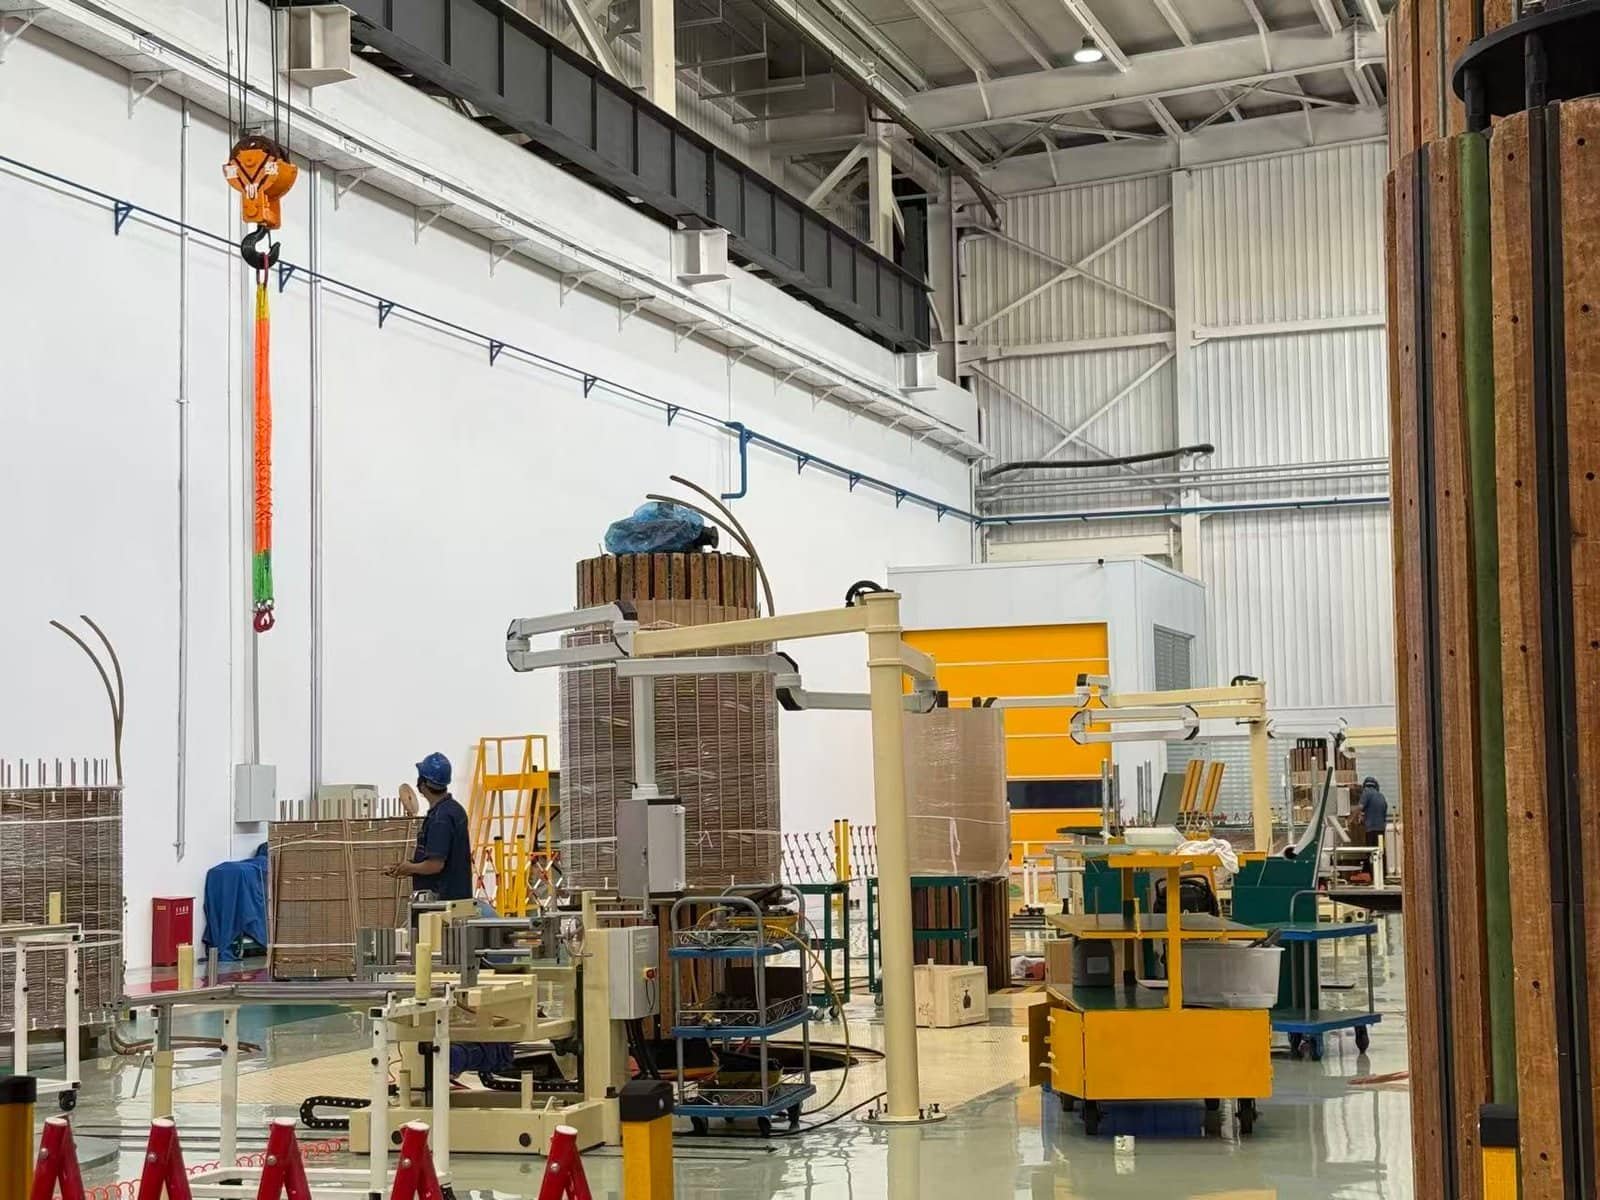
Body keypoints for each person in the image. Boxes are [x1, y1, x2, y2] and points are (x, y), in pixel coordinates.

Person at [385, 752, 473, 901]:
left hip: (441, 904)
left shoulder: (440, 818)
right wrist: (409, 867)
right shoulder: (454, 810)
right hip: (456, 900)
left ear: (423, 783)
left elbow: (435, 865)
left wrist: (409, 867)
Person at [1357, 775, 1389, 849]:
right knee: (1380, 850)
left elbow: (1360, 807)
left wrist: (1354, 818)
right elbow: (1384, 810)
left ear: (1365, 786)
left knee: (1371, 851)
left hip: (1371, 829)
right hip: (1381, 829)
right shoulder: (1381, 796)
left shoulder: (1366, 793)